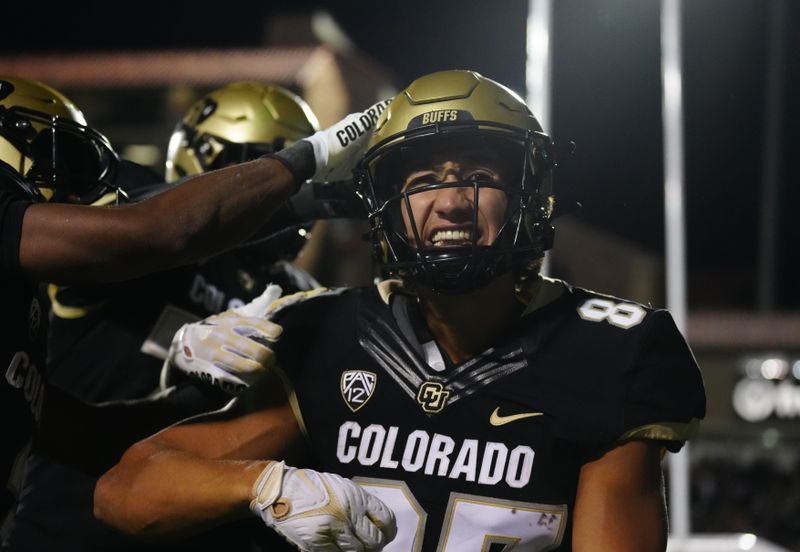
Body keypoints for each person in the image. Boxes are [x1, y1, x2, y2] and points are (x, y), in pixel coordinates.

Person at [95, 70, 706, 551]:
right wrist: (263, 483)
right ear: (384, 207)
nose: (451, 203)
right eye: (422, 182)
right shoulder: (323, 329)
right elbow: (124, 490)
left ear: (530, 194)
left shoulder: (612, 349)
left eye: (479, 174)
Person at [0, 75, 392, 548]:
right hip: (62, 530)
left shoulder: (299, 291)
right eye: (60, 159)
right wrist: (312, 166)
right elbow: (155, 230)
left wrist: (197, 394)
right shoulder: (147, 230)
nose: (74, 188)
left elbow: (96, 436)